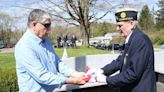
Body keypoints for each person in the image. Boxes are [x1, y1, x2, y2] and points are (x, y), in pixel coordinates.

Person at [14, 9, 86, 92]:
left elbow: (57, 63)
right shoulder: (24, 47)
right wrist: (72, 80)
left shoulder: (46, 40)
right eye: (46, 25)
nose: (50, 29)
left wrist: (74, 74)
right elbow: (42, 76)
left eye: (50, 25)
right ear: (34, 25)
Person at [90, 7, 157, 92]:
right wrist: (101, 70)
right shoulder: (132, 39)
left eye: (120, 26)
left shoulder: (140, 40)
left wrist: (107, 80)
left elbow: (133, 73)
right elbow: (120, 61)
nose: (117, 29)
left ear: (132, 24)